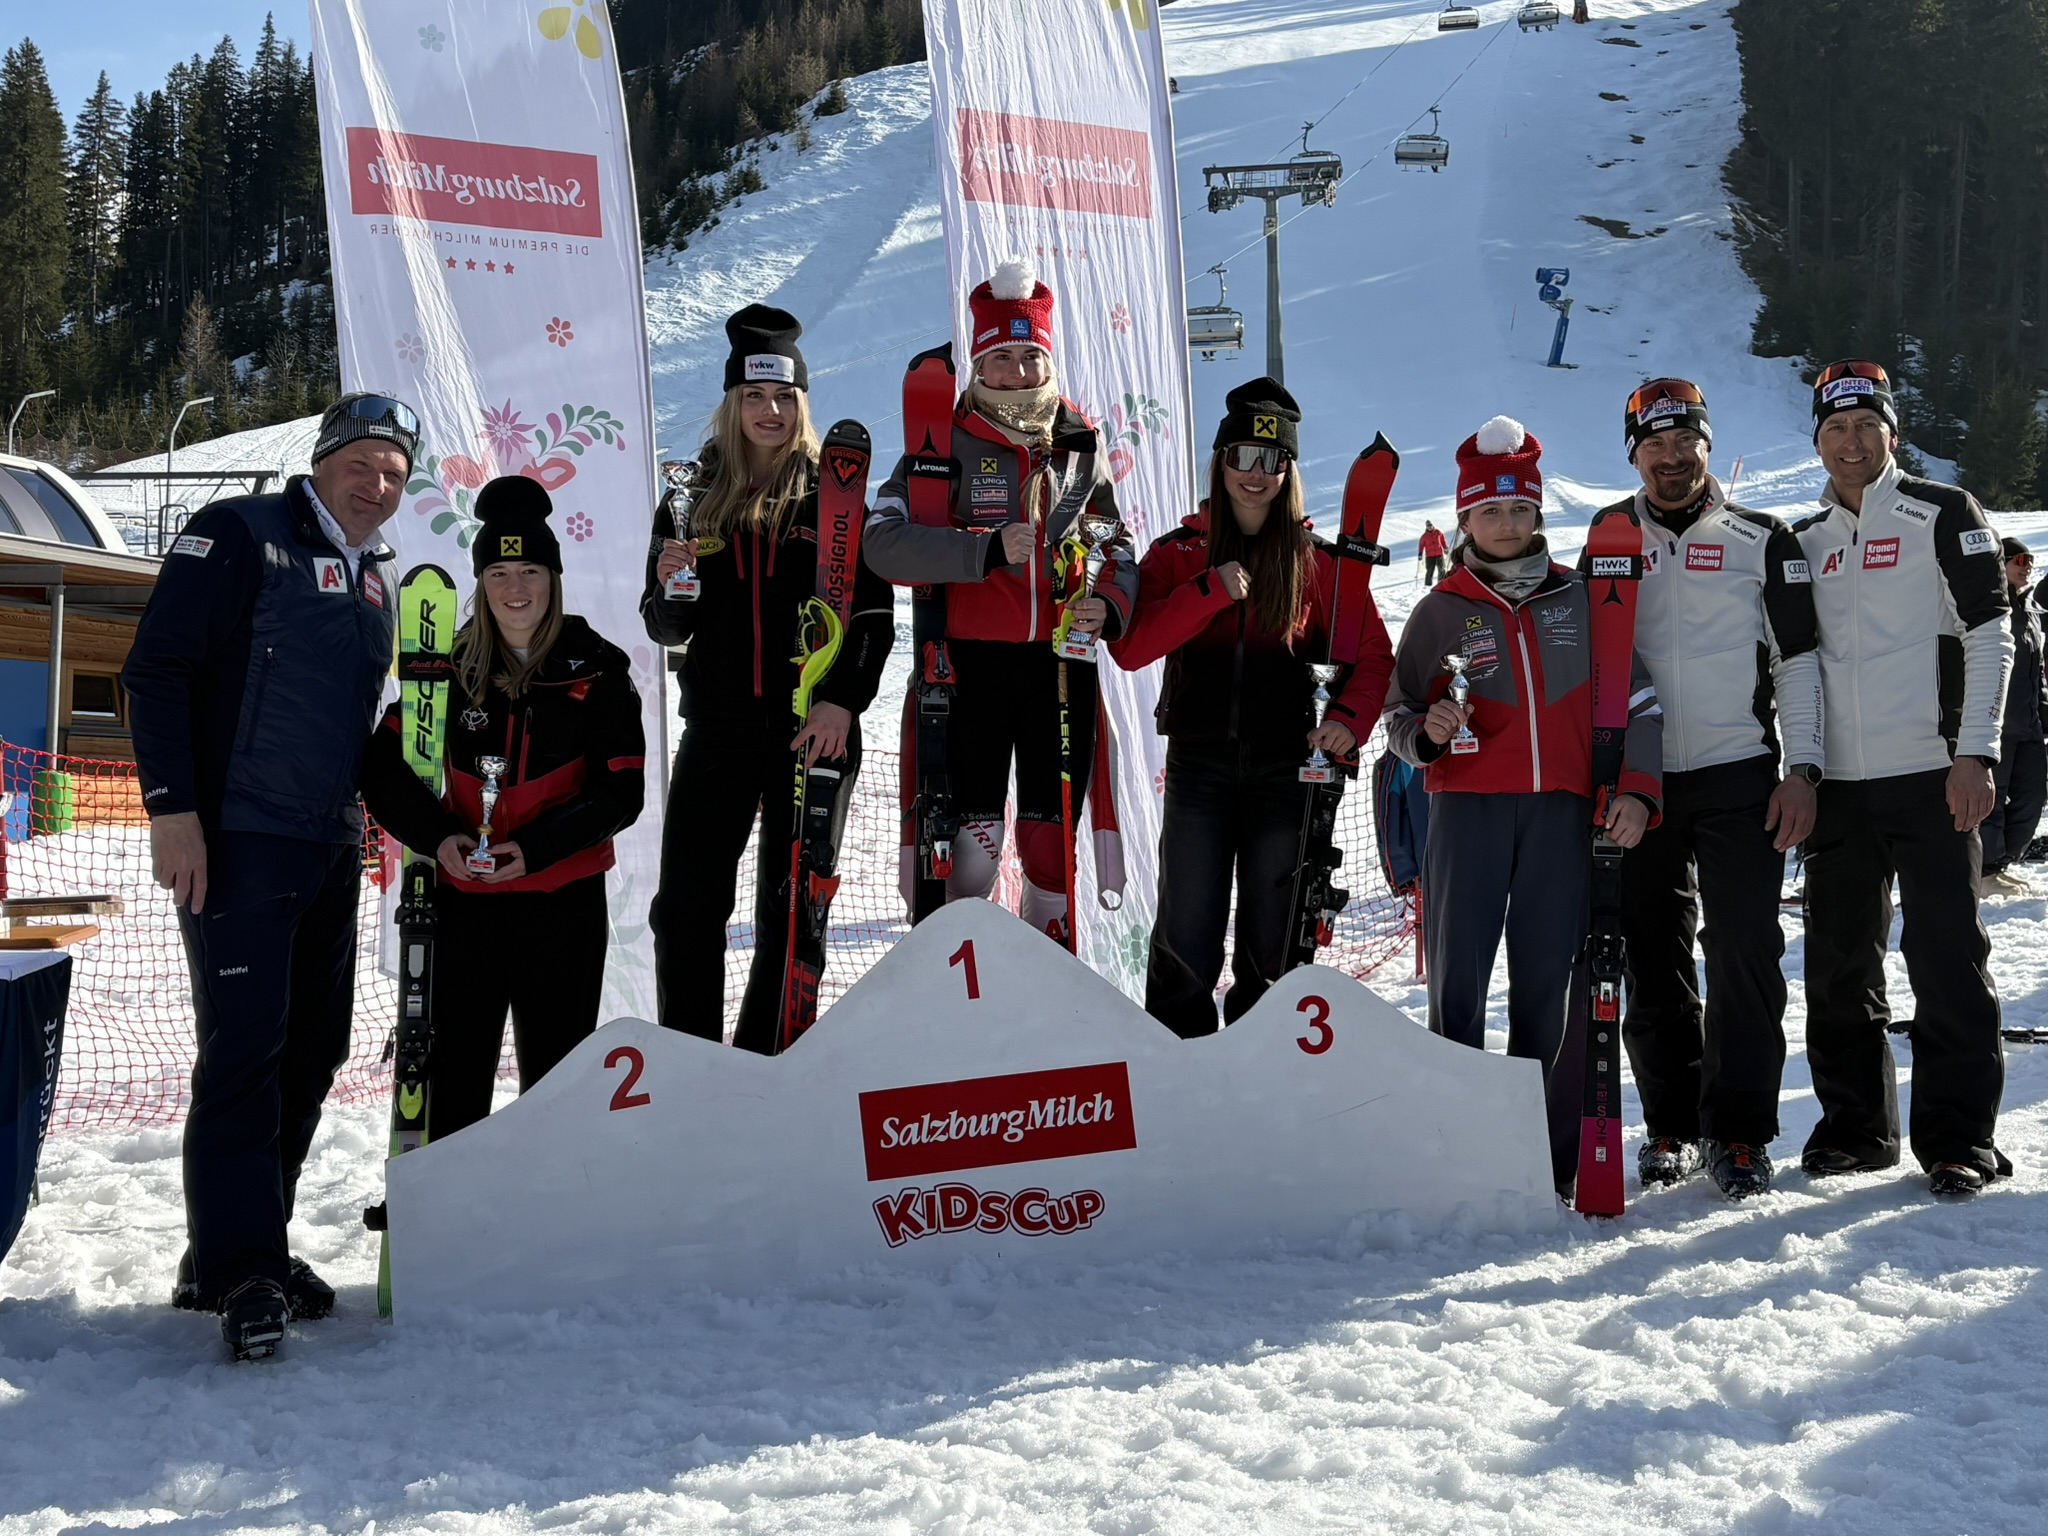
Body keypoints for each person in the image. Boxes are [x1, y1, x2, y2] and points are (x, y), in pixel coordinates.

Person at [123, 392, 416, 1360]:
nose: (377, 485)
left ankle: (233, 1252)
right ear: (324, 459)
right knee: (246, 1054)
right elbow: (156, 669)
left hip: (328, 844)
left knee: (311, 1054)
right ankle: (245, 1269)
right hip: (237, 840)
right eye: (362, 464)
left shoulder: (376, 580)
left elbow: (359, 733)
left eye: (394, 474)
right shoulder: (239, 533)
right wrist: (173, 811)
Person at [1382, 416, 1662, 1196]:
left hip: (1560, 818)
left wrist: (1638, 789)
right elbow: (1397, 717)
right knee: (1458, 986)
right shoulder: (1441, 609)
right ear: (1464, 521)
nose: (1505, 525)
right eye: (1488, 512)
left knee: (1550, 986)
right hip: (1466, 812)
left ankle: (1546, 1161)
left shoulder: (1585, 595)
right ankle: (1461, 1156)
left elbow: (1638, 699)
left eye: (1519, 510)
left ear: (1538, 514)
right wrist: (1427, 734)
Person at [1588, 380, 1823, 1200]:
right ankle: (1672, 1125)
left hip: (1738, 772)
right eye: (1653, 444)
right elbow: (1592, 658)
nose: (1671, 457)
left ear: (1707, 446)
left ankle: (1741, 1131)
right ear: (1633, 453)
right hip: (1644, 780)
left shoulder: (1764, 536)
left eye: (1685, 441)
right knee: (1652, 952)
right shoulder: (1610, 533)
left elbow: (1798, 664)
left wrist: (1803, 770)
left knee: (1746, 949)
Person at [643, 305, 895, 1049]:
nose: (771, 411)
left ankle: (768, 1065)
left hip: (810, 733)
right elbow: (666, 629)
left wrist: (842, 704)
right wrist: (668, 585)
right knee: (685, 907)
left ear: (802, 403)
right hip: (718, 728)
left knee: (792, 910)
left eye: (785, 397)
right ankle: (690, 1061)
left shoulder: (835, 495)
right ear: (731, 403)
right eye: (755, 397)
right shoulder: (691, 496)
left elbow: (874, 619)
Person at [359, 477, 644, 1136]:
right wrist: (439, 839)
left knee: (558, 1076)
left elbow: (620, 792)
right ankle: (457, 1217)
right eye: (498, 572)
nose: (516, 587)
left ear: (554, 577)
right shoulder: (447, 670)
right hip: (465, 903)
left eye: (531, 571)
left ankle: (551, 1219)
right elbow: (382, 768)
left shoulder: (597, 669)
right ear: (481, 583)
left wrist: (536, 849)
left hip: (561, 904)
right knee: (456, 1074)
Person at [866, 258, 1138, 945]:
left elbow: (1115, 543)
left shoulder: (1077, 444)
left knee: (1051, 855)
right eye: (1001, 358)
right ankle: (963, 984)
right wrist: (979, 552)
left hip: (1058, 670)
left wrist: (1106, 602)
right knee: (970, 855)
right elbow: (882, 543)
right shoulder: (944, 441)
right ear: (978, 366)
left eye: (1029, 356)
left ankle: (1049, 998)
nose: (1017, 373)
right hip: (971, 670)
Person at [1111, 380, 1395, 1037]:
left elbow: (1372, 658)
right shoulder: (1178, 553)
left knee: (1274, 938)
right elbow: (1131, 648)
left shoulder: (1315, 565)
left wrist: (1347, 722)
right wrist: (1208, 591)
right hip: (1199, 772)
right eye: (1242, 456)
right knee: (1187, 929)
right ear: (1220, 461)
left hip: (1286, 774)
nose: (1255, 475)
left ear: (1288, 472)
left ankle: (1263, 1068)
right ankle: (1179, 1063)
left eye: (1272, 462)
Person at [1792, 360, 2013, 1197]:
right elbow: (1798, 667)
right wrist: (1803, 770)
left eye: (1865, 427)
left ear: (1892, 431)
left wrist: (1975, 752)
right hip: (1842, 788)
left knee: (1947, 959)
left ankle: (1960, 1140)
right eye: (1834, 429)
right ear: (1817, 440)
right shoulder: (1804, 541)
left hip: (1932, 775)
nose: (1851, 444)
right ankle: (1857, 1131)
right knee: (1840, 966)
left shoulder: (1943, 512)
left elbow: (1993, 635)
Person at [1980, 537, 2047, 894]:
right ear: (2000, 563)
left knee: (2031, 796)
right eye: (2018, 559)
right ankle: (1984, 872)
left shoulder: (2031, 610)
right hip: (1997, 724)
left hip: (2030, 724)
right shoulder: (1990, 607)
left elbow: (2037, 672)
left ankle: (2001, 862)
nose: (2026, 565)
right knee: (1993, 798)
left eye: (2030, 559)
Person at [1418, 519, 1449, 585]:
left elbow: (1443, 541)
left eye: (1430, 525)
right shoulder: (1424, 536)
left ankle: (1441, 582)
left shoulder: (1438, 532)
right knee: (1429, 570)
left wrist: (1445, 548)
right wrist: (1420, 553)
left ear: (1433, 525)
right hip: (1430, 556)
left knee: (1442, 569)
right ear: (1426, 527)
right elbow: (1421, 546)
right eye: (1428, 526)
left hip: (1439, 554)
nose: (1429, 527)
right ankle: (1428, 584)